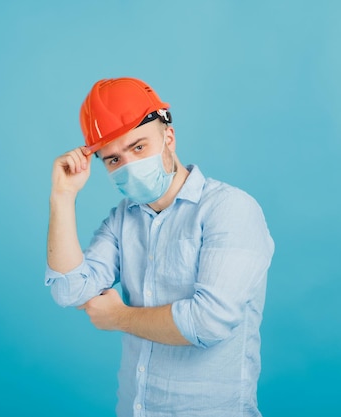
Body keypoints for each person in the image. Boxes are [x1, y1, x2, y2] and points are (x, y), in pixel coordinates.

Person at [45, 77, 274, 417]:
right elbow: (70, 290)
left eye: (138, 148)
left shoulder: (229, 209)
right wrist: (63, 197)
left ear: (169, 136)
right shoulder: (123, 219)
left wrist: (119, 317)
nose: (129, 166)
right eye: (113, 159)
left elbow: (208, 322)